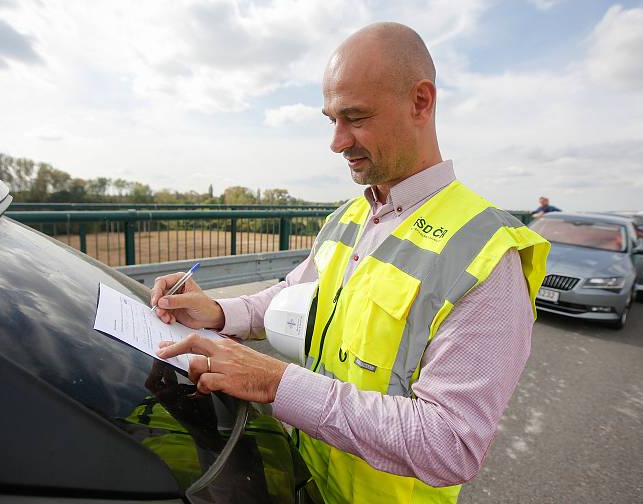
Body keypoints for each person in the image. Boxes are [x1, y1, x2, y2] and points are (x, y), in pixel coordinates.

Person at [152, 22, 549, 503]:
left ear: (421, 102)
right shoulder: (352, 214)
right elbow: (296, 293)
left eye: (356, 118)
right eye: (332, 119)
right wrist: (218, 312)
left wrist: (277, 382)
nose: (338, 142)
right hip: (301, 478)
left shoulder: (488, 253)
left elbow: (451, 442)